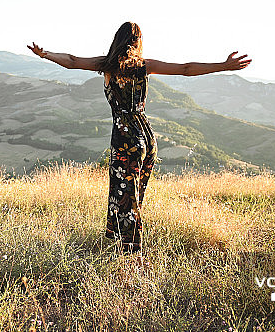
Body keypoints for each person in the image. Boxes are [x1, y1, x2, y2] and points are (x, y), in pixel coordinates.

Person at [28, 21, 251, 254]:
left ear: (117, 40)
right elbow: (186, 68)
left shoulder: (107, 65)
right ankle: (122, 243)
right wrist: (223, 66)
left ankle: (131, 251)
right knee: (132, 193)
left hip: (125, 137)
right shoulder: (145, 65)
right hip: (146, 136)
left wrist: (45, 54)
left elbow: (72, 61)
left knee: (125, 194)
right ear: (138, 42)